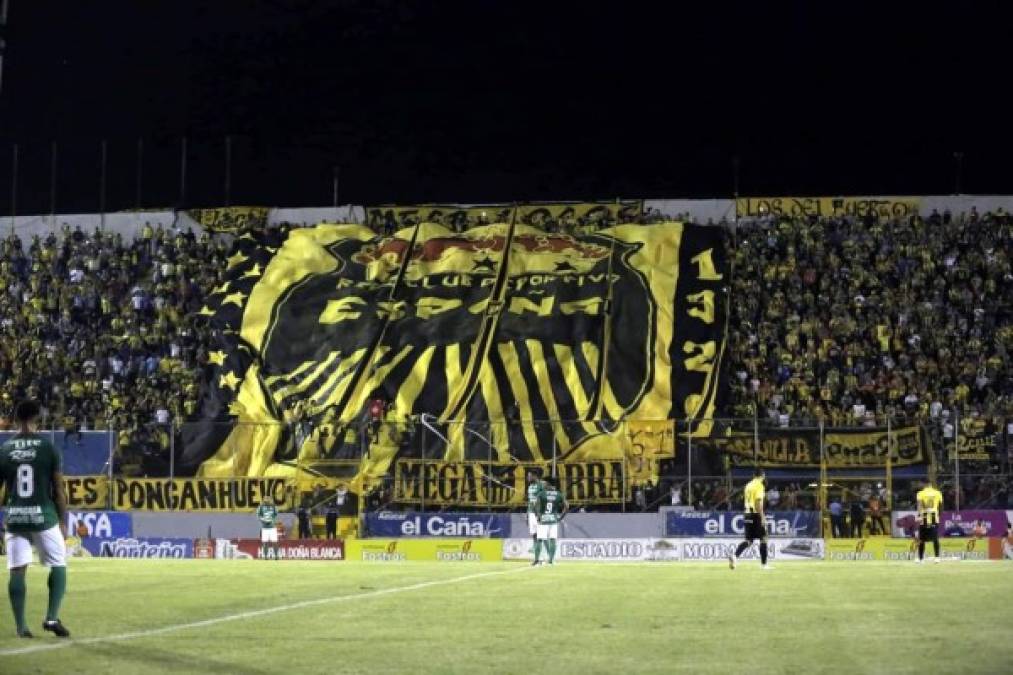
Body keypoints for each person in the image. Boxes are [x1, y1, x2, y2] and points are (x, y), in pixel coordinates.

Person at [0, 400, 71, 638]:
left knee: (17, 571)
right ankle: (51, 617)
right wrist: (63, 521)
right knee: (58, 563)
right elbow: (59, 490)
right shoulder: (48, 448)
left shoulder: (5, 449)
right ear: (37, 418)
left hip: (16, 517)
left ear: (16, 418)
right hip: (43, 516)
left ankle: (21, 627)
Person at [729, 469, 771, 570]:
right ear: (763, 475)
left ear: (753, 475)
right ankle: (764, 565)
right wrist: (762, 517)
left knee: (749, 540)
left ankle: (735, 556)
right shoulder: (759, 486)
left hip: (747, 513)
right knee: (764, 539)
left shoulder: (748, 485)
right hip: (756, 514)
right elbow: (758, 503)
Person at [533, 476, 567, 566]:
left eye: (544, 483)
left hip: (543, 520)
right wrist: (561, 517)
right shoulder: (558, 494)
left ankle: (536, 560)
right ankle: (551, 561)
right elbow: (567, 506)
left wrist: (538, 516)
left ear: (548, 483)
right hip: (553, 520)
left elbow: (536, 506)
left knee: (539, 539)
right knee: (553, 540)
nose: (542, 484)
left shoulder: (541, 494)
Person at [915, 479, 943, 564]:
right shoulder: (938, 493)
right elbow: (941, 506)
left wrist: (919, 515)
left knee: (921, 540)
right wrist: (939, 515)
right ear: (931, 484)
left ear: (925, 484)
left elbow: (919, 506)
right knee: (935, 539)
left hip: (924, 518)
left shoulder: (920, 493)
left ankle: (921, 559)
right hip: (934, 518)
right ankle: (937, 558)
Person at [526, 471, 544, 551]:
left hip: (538, 512)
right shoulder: (530, 486)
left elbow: (544, 498)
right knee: (533, 531)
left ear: (535, 476)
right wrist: (527, 514)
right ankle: (535, 546)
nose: (528, 478)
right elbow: (530, 500)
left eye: (529, 476)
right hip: (531, 511)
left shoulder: (541, 485)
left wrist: (540, 512)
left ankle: (541, 549)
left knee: (540, 531)